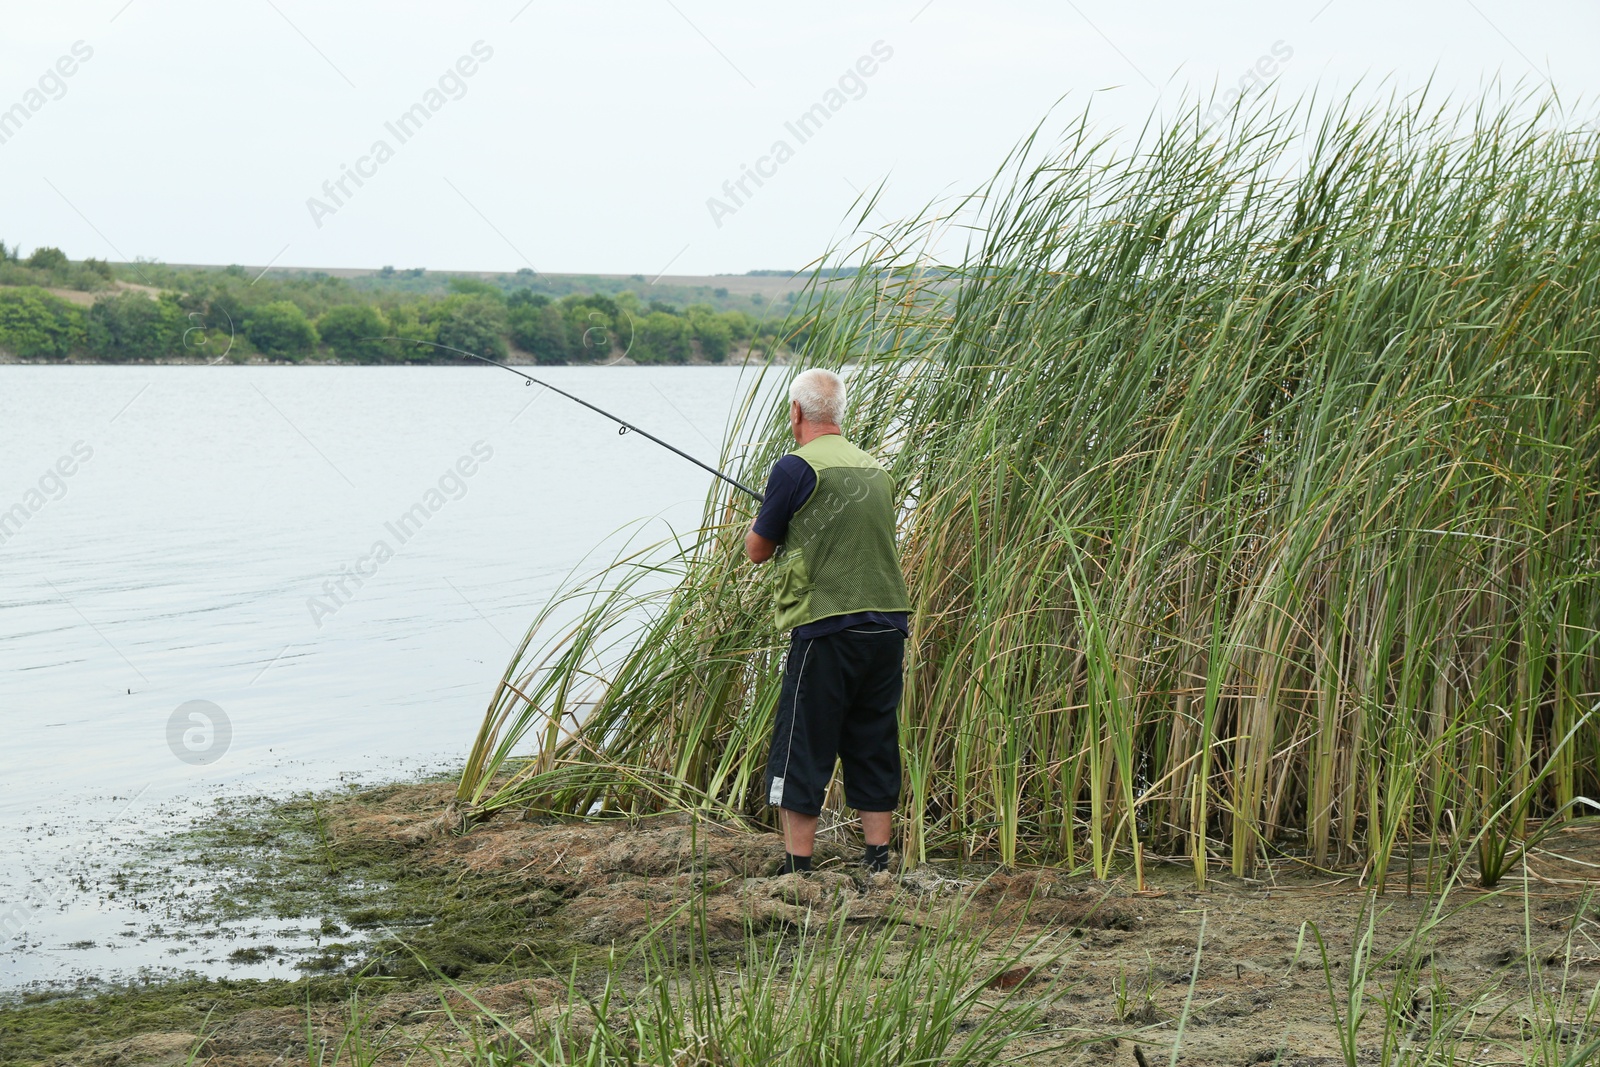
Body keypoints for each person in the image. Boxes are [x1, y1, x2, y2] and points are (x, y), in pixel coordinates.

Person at [745, 367, 910, 874]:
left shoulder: (794, 468)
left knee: (803, 739)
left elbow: (757, 550)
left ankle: (798, 866)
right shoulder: (876, 469)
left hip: (827, 627)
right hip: (888, 624)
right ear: (839, 414)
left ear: (796, 413)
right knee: (874, 737)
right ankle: (878, 859)